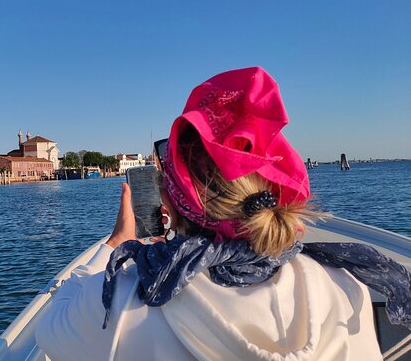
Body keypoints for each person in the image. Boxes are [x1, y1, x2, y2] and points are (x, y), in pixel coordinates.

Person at [36, 67, 410, 360]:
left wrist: (115, 245)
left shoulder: (124, 302)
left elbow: (48, 328)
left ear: (172, 197)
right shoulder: (348, 289)